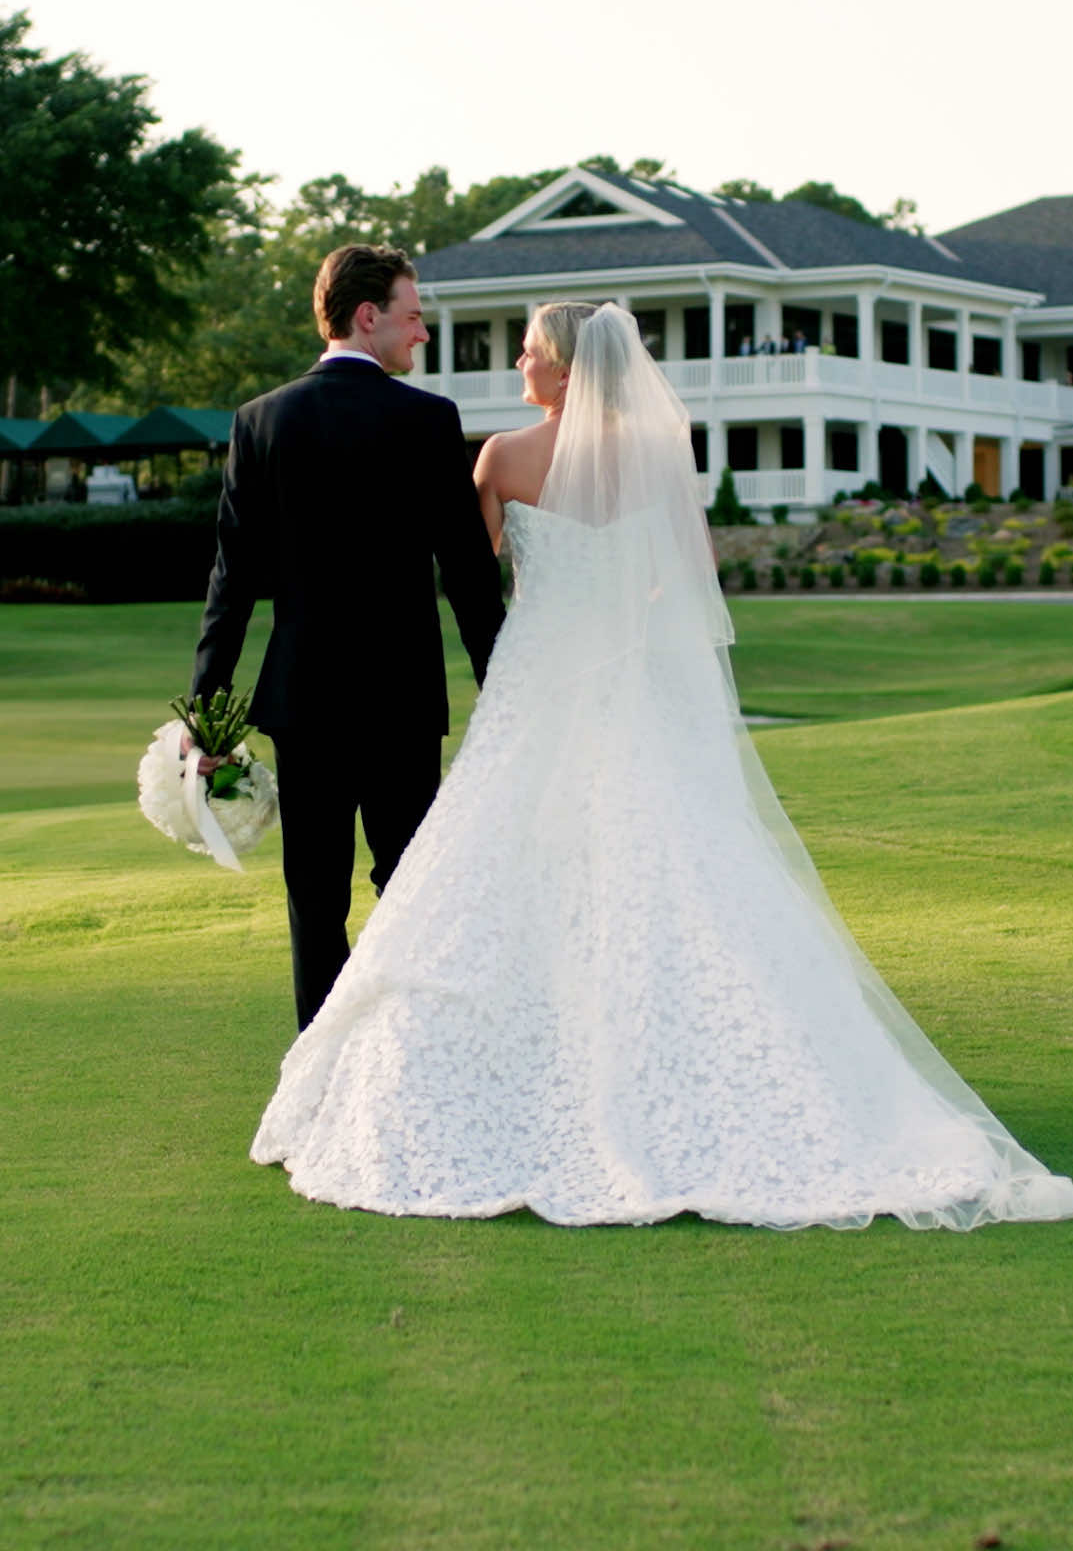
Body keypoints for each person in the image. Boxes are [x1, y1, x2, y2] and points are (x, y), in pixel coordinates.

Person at [251, 302, 1073, 1232]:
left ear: (561, 369)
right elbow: (680, 581)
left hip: (538, 682)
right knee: (667, 861)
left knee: (503, 871)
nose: (517, 361)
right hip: (628, 685)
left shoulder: (504, 459)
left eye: (527, 351)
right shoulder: (655, 459)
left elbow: (465, 571)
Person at [188, 244, 505, 1031]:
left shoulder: (259, 421)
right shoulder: (429, 421)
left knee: (314, 899)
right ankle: (405, 1072)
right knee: (409, 891)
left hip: (304, 702)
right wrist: (504, 687)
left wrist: (205, 712)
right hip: (402, 700)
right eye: (413, 316)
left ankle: (318, 1087)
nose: (421, 334)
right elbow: (468, 576)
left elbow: (232, 583)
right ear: (368, 317)